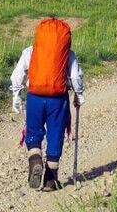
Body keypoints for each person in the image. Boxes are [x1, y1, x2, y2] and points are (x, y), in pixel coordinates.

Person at [10, 18, 85, 192]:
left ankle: (35, 160)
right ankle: (51, 181)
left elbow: (17, 75)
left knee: (34, 132)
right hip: (58, 99)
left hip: (35, 97)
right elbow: (75, 77)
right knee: (55, 134)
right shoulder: (68, 54)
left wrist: (16, 95)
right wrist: (79, 95)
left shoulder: (30, 51)